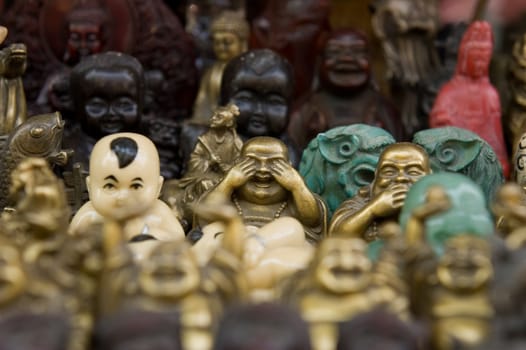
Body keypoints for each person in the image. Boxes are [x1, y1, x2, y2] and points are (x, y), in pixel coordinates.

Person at [197, 136, 327, 243]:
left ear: (289, 167)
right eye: (252, 161)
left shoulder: (295, 201)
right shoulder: (227, 196)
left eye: (274, 162)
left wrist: (297, 186)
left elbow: (312, 219)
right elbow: (206, 214)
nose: (263, 169)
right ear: (237, 164)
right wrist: (228, 182)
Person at [69, 132, 184, 244]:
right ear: (90, 187)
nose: (123, 197)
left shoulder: (158, 213)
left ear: (158, 188)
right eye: (110, 186)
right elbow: (70, 242)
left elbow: (179, 239)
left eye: (135, 186)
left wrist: (155, 237)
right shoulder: (90, 215)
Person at [329, 143, 431, 241]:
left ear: (429, 175)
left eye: (413, 172)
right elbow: (336, 236)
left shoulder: (439, 198)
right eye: (389, 172)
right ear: (376, 175)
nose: (400, 178)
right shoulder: (363, 200)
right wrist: (372, 210)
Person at [64, 51, 146, 171]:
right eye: (97, 105)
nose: (111, 112)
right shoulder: (65, 152)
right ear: (77, 104)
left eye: (123, 104)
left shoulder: (154, 147)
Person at [220, 49, 300, 167]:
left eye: (274, 102)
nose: (259, 111)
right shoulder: (213, 146)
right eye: (246, 99)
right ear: (223, 100)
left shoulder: (288, 154)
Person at [191, 10, 249, 123]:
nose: (221, 47)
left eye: (227, 42)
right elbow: (202, 102)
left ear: (242, 43)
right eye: (217, 43)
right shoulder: (210, 72)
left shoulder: (246, 72)